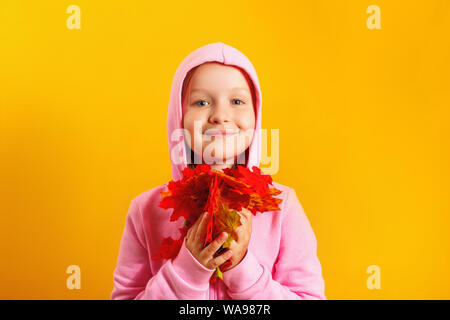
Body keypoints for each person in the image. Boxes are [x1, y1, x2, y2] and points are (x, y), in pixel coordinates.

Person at [110, 42, 326, 300]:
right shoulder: (145, 210)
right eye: (201, 102)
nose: (220, 116)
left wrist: (241, 268)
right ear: (179, 116)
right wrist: (187, 271)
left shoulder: (282, 206)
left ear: (255, 115)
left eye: (237, 101)